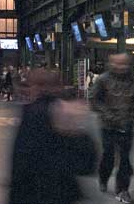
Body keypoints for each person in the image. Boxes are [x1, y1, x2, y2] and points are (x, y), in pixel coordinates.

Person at [8, 69, 97, 204]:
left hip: (33, 191)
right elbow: (88, 164)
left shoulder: (32, 113)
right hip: (65, 191)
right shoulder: (71, 111)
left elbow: (21, 158)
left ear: (37, 87)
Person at [89, 53, 134, 203]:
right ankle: (103, 177)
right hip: (107, 125)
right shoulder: (103, 80)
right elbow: (93, 99)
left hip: (126, 125)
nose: (120, 67)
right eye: (117, 64)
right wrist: (107, 115)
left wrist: (133, 115)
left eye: (123, 64)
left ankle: (122, 190)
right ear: (111, 64)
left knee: (125, 158)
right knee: (108, 155)